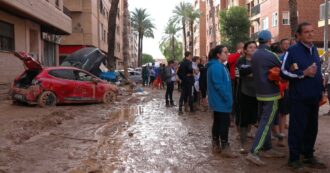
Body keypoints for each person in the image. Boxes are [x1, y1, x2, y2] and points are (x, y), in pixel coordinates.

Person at [281, 22, 327, 171]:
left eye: (312, 31)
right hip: (299, 97)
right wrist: (303, 73)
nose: (310, 34)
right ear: (299, 35)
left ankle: (308, 155)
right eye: (306, 32)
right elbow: (283, 72)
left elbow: (318, 72)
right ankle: (293, 159)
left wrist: (322, 89)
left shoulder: (314, 50)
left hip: (314, 97)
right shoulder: (292, 51)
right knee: (297, 128)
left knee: (312, 129)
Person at [246, 30, 285, 166]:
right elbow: (283, 67)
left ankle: (267, 148)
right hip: (271, 94)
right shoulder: (270, 54)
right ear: (270, 40)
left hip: (260, 93)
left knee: (264, 121)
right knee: (266, 123)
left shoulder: (255, 54)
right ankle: (254, 152)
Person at [207, 45, 238, 158]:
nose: (227, 54)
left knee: (218, 122)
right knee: (223, 124)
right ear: (218, 55)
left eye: (227, 52)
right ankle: (224, 147)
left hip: (220, 101)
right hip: (221, 101)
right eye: (225, 52)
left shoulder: (219, 66)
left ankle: (216, 144)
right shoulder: (216, 67)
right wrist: (228, 98)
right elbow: (218, 85)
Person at [235, 41, 258, 154]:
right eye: (250, 47)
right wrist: (251, 72)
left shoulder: (258, 60)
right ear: (245, 50)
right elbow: (240, 72)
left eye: (255, 47)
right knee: (243, 120)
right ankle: (242, 145)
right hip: (244, 93)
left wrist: (250, 73)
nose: (253, 49)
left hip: (257, 94)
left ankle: (250, 138)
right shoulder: (241, 60)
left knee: (253, 119)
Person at [227, 42, 244, 125]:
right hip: (234, 79)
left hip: (243, 80)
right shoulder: (234, 55)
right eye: (242, 47)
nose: (243, 49)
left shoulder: (246, 57)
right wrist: (238, 53)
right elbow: (229, 61)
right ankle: (231, 118)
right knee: (234, 98)